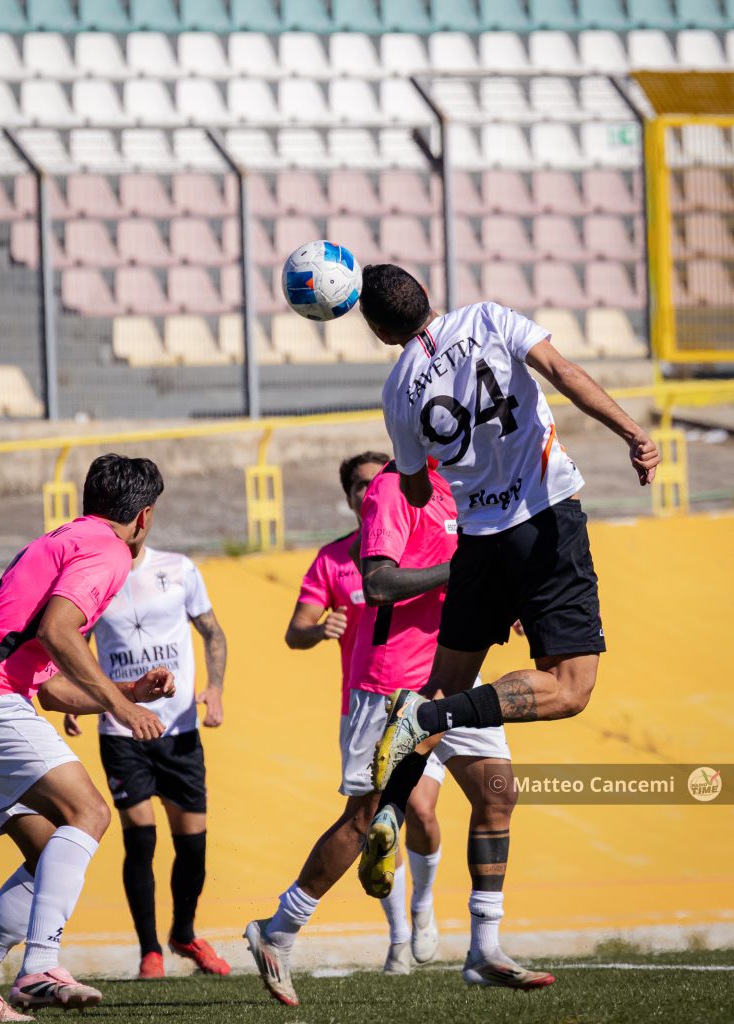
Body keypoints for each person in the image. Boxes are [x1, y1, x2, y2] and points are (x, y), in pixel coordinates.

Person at [354, 264, 661, 926]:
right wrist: (631, 432)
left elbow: (411, 489)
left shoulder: (397, 388)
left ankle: (388, 807)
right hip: (543, 520)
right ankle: (427, 723)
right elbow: (563, 373)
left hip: (476, 543)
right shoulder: (488, 317)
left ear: (379, 330)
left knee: (440, 683)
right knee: (571, 687)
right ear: (428, 298)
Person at [246, 456, 550, 1006]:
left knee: (497, 792)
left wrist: (504, 604)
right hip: (388, 685)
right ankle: (278, 930)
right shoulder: (390, 488)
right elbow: (379, 584)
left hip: (455, 674)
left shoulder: (454, 487)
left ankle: (483, 948)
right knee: (363, 819)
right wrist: (460, 572)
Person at [0, 454, 171, 1023]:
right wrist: (121, 708)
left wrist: (127, 689)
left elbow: (52, 686)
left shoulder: (62, 540)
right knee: (88, 812)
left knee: (46, 853)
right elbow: (58, 630)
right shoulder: (109, 550)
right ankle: (40, 966)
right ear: (145, 516)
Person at [281, 450, 447, 979]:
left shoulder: (427, 535)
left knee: (418, 810)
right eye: (357, 483)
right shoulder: (333, 560)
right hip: (366, 699)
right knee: (378, 820)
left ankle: (422, 907)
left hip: (431, 686)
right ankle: (399, 936)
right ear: (350, 493)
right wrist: (317, 629)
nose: (367, 489)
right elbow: (295, 630)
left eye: (375, 480)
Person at [63, 534, 230, 981]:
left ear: (142, 519)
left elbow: (212, 630)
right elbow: (67, 646)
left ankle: (184, 933)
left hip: (179, 732)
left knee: (193, 845)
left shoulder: (178, 568)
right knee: (140, 839)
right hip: (122, 730)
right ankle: (150, 950)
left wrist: (215, 688)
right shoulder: (90, 582)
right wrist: (74, 703)